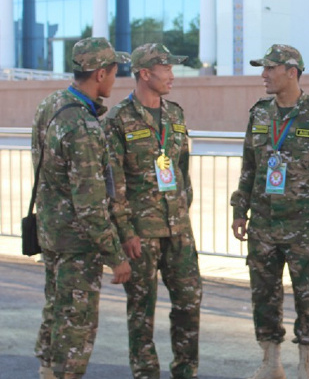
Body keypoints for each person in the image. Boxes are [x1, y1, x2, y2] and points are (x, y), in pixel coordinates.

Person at [230, 44, 309, 379]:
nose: (264, 75)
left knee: (308, 296)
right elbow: (249, 167)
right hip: (263, 225)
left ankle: (306, 364)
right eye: (263, 68)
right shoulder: (260, 113)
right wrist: (240, 210)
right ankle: (270, 362)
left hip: (304, 226)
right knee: (263, 294)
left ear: (292, 71)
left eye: (270, 68)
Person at [33, 37, 132, 379]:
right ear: (100, 73)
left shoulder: (50, 105)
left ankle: (47, 372)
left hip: (51, 233)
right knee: (76, 325)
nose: (115, 80)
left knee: (56, 310)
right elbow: (90, 205)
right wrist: (115, 255)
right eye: (114, 72)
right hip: (77, 243)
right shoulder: (83, 126)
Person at [104, 43, 202, 379]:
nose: (172, 75)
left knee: (189, 303)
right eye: (167, 69)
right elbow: (113, 182)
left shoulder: (175, 114)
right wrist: (125, 231)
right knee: (142, 312)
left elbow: (182, 168)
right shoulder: (119, 119)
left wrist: (184, 207)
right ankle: (146, 372)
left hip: (179, 230)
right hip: (141, 234)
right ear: (146, 73)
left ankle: (185, 370)